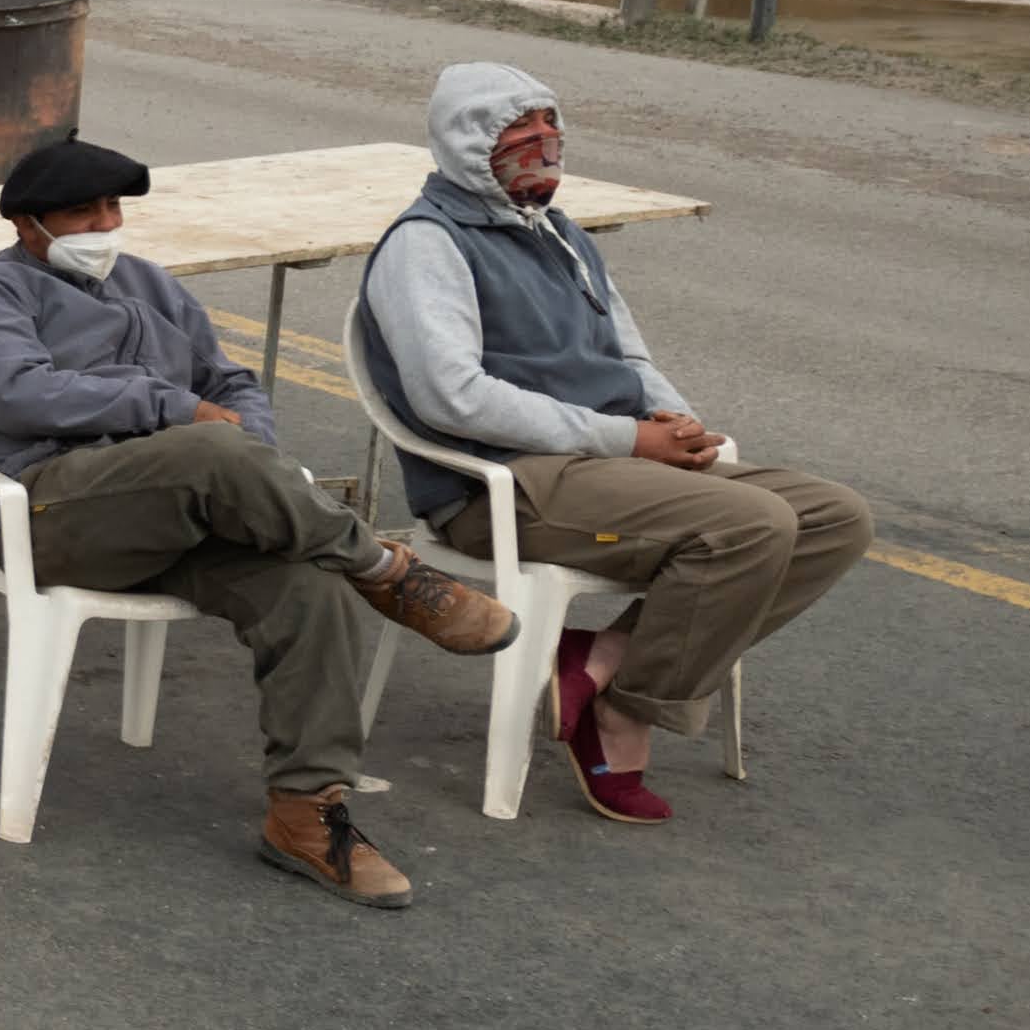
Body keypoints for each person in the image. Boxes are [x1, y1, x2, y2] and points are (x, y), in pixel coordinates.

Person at [0, 136, 519, 908]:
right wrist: (176, 412)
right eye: (82, 213)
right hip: (52, 512)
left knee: (305, 584)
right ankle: (386, 569)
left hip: (181, 509)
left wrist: (251, 451)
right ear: (28, 225)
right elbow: (12, 393)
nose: (104, 225)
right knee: (209, 450)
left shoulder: (147, 283)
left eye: (113, 209)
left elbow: (229, 380)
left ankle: (306, 814)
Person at [353, 64, 870, 826]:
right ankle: (625, 711)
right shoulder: (425, 245)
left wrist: (676, 424)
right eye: (515, 130)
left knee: (833, 518)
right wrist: (627, 437)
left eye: (547, 123)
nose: (542, 142)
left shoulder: (558, 234)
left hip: (607, 462)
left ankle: (598, 665)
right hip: (504, 485)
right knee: (749, 526)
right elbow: (449, 397)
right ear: (467, 144)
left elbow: (625, 355)